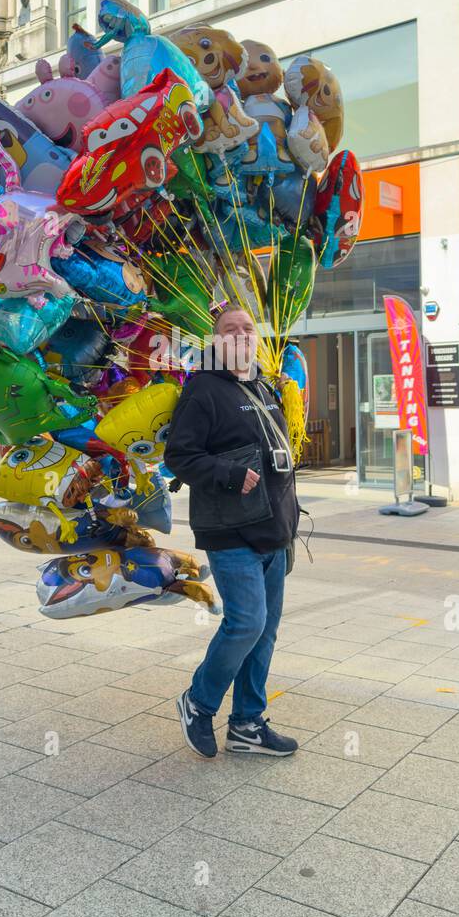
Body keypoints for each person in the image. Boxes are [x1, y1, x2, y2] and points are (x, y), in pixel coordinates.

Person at [164, 307, 300, 759]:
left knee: (265, 632)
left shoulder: (264, 386)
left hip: (273, 530)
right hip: (230, 529)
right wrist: (227, 472)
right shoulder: (202, 389)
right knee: (246, 623)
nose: (240, 335)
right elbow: (180, 457)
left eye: (247, 329)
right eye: (229, 330)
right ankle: (198, 703)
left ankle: (247, 724)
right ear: (215, 340)